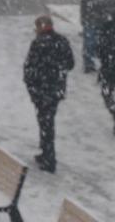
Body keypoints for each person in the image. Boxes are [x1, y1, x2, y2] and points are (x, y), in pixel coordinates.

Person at [23, 15, 74, 173]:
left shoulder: (37, 43)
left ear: (40, 27)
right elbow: (70, 64)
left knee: (45, 122)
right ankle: (46, 153)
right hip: (55, 89)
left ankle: (49, 157)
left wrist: (31, 86)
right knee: (47, 120)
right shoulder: (62, 41)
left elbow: (29, 67)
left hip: (41, 89)